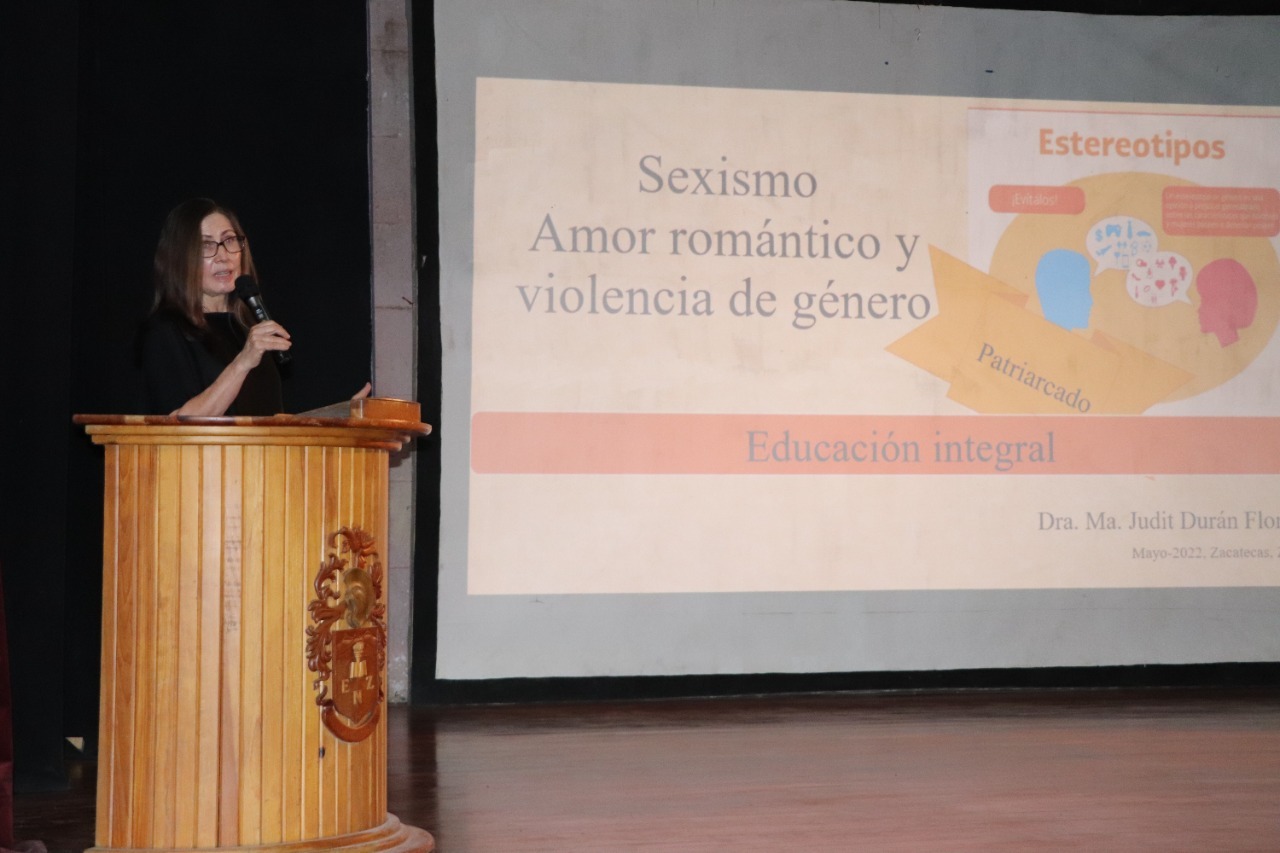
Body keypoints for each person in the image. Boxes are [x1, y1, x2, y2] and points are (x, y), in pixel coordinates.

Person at [138, 198, 292, 416]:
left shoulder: (249, 328)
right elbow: (176, 425)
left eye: (229, 240)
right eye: (206, 245)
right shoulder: (165, 331)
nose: (223, 256)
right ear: (180, 258)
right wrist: (242, 363)